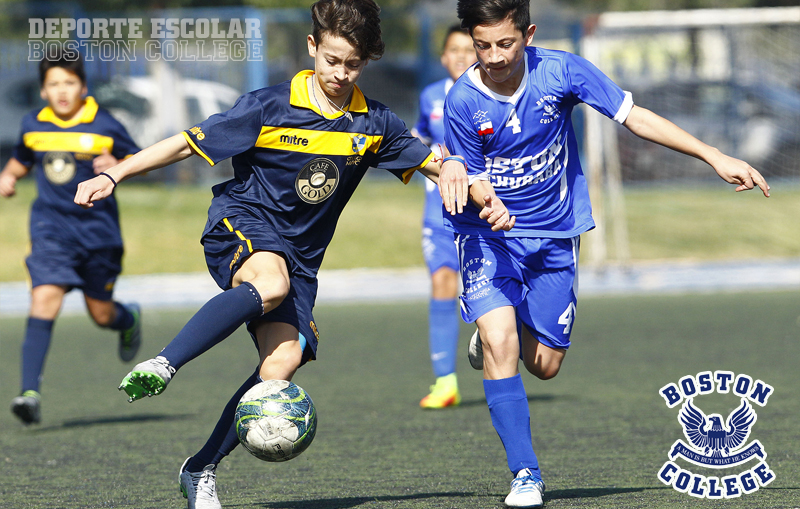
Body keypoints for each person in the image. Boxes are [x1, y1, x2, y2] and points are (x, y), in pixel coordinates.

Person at [74, 1, 511, 507]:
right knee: (270, 280)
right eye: (331, 60)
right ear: (312, 49)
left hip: (301, 259)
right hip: (242, 222)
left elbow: (437, 165)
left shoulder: (374, 123)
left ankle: (199, 469)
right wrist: (113, 175)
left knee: (280, 364)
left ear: (364, 62)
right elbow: (181, 146)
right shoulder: (268, 106)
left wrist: (481, 193)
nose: (339, 73)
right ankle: (166, 362)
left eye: (352, 64)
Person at [441, 1, 771, 507]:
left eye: (505, 43)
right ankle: (525, 473)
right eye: (482, 46)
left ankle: (498, 337)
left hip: (553, 235)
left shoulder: (563, 72)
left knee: (545, 365)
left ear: (527, 34)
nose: (494, 57)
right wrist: (491, 205)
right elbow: (472, 178)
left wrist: (714, 156)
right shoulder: (464, 100)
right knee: (500, 339)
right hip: (488, 236)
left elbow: (634, 117)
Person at [1, 49, 142, 426]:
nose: (62, 91)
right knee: (44, 298)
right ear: (43, 90)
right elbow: (22, 157)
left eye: (69, 83)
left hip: (99, 236)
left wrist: (117, 166)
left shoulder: (105, 124)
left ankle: (126, 320)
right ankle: (29, 393)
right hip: (50, 232)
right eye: (53, 84)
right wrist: (9, 176)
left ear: (83, 86)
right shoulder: (34, 124)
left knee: (101, 313)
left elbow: (140, 161)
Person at [411, 24, 478, 410]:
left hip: (481, 214)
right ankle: (445, 382)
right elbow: (420, 136)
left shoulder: (491, 94)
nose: (461, 56)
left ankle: (494, 352)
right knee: (442, 283)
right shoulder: (430, 96)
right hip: (438, 216)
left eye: (469, 49)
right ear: (443, 56)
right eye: (454, 49)